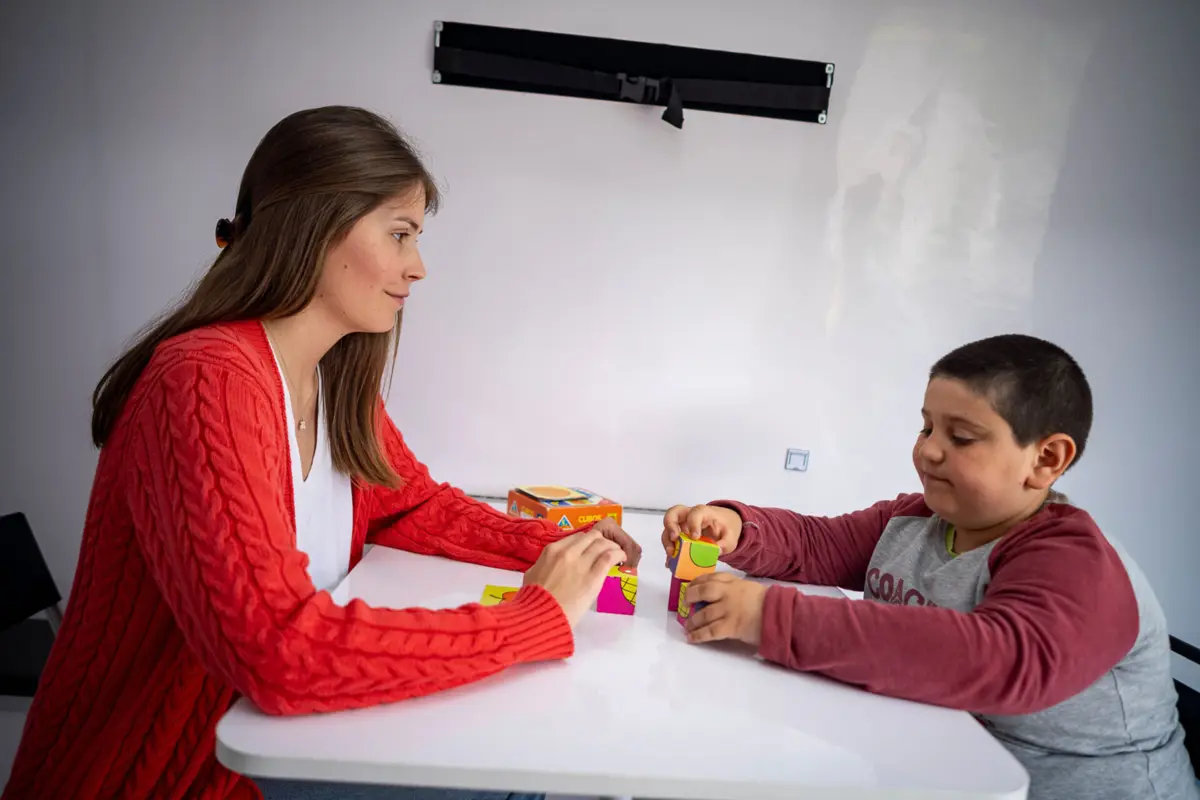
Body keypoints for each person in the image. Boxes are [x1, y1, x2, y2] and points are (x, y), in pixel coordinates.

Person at [2, 106, 642, 800]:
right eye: (400, 234)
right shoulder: (204, 380)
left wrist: (559, 546)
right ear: (313, 226)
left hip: (272, 757)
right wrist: (530, 620)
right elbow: (277, 650)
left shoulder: (332, 380)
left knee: (521, 767)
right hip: (171, 782)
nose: (418, 267)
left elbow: (412, 508)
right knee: (518, 777)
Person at [663, 334, 1199, 800]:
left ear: (1046, 460)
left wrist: (772, 617)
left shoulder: (1078, 563)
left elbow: (1001, 658)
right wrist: (735, 527)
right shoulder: (916, 519)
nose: (928, 453)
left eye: (960, 437)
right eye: (926, 429)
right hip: (934, 772)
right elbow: (819, 543)